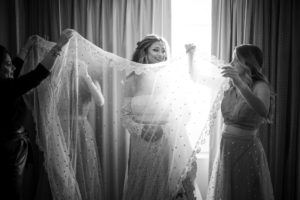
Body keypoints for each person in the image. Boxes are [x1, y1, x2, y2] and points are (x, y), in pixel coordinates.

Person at [121, 35, 199, 200]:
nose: (161, 54)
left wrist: (165, 128)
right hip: (140, 143)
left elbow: (186, 112)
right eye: (156, 49)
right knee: (141, 185)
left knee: (163, 186)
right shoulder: (132, 79)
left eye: (163, 50)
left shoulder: (171, 79)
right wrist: (141, 129)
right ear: (144, 52)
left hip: (165, 141)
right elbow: (124, 115)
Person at [0, 29, 73, 200]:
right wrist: (59, 46)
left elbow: (16, 70)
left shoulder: (5, 84)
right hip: (9, 150)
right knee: (12, 192)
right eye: (7, 64)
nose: (12, 68)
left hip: (9, 146)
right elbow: (37, 75)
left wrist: (26, 47)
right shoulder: (5, 88)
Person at [206, 44, 274, 200]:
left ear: (248, 64)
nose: (231, 64)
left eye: (235, 60)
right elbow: (197, 78)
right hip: (226, 148)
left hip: (247, 149)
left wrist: (240, 84)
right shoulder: (229, 86)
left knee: (245, 192)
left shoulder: (260, 85)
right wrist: (190, 56)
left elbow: (263, 111)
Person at [74, 60, 105, 199]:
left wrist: (86, 77)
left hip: (82, 129)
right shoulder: (61, 76)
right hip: (63, 127)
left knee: (84, 169)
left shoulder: (90, 80)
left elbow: (100, 101)